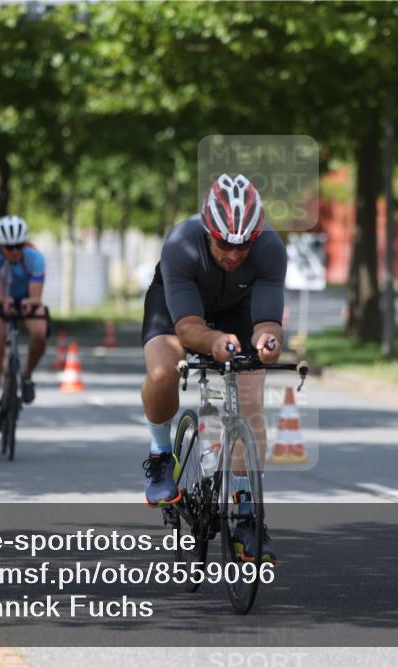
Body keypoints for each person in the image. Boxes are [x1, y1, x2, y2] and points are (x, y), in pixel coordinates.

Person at [140, 173, 286, 562]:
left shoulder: (271, 248)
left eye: (244, 245)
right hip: (177, 307)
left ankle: (249, 515)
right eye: (224, 244)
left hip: (237, 306)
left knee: (251, 402)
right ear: (208, 232)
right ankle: (160, 455)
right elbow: (188, 328)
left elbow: (268, 322)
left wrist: (268, 342)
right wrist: (216, 342)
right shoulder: (181, 244)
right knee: (162, 372)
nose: (234, 255)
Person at [0, 216, 50, 430]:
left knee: (40, 332)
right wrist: (3, 302)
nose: (14, 251)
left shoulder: (35, 258)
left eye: (19, 246)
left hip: (26, 298)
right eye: (9, 247)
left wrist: (31, 303)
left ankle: (26, 376)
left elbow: (36, 296)